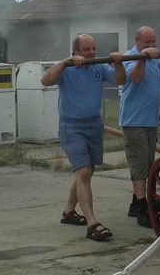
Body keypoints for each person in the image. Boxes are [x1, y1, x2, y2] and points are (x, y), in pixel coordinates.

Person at [40, 33, 122, 241]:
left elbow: (120, 79)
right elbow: (45, 80)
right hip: (72, 127)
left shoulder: (98, 66)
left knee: (85, 173)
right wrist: (65, 63)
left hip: (93, 125)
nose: (92, 53)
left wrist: (118, 63)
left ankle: (69, 211)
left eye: (94, 48)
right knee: (83, 172)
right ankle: (93, 224)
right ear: (75, 51)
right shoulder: (66, 67)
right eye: (87, 50)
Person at [117, 26, 160, 229]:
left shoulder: (157, 59)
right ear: (137, 41)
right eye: (147, 42)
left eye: (154, 42)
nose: (152, 45)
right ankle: (142, 209)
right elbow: (136, 78)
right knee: (139, 168)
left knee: (147, 163)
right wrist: (143, 58)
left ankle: (134, 204)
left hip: (150, 120)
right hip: (134, 120)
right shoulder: (130, 57)